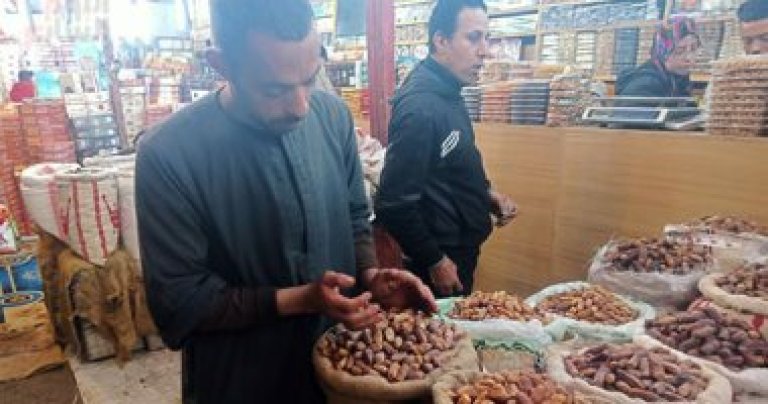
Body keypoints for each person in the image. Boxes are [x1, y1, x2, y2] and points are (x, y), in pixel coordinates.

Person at [135, 1, 436, 403]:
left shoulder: (332, 117)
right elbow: (180, 302)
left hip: (336, 372)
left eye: (310, 80)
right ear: (221, 64)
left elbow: (354, 217)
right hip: (241, 381)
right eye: (274, 90)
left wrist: (369, 276)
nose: (300, 107)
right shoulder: (169, 154)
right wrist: (300, 299)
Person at [375, 0, 516, 299]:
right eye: (473, 38)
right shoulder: (420, 107)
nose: (485, 51)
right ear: (441, 41)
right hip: (441, 262)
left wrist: (485, 194)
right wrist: (434, 260)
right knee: (440, 328)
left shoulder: (448, 90)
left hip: (460, 248)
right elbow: (393, 203)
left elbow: (449, 163)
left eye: (486, 38)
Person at [617, 16, 700, 97]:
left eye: (693, 49)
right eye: (679, 51)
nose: (689, 58)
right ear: (663, 53)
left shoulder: (679, 80)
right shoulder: (644, 86)